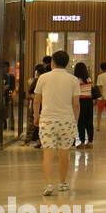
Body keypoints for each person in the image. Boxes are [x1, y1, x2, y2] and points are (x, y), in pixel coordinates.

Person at [33, 50, 80, 196]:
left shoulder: (43, 77)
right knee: (64, 154)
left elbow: (36, 100)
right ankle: (63, 183)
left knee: (48, 154)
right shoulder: (73, 80)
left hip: (47, 120)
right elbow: (76, 104)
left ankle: (48, 185)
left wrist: (36, 116)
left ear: (52, 62)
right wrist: (75, 121)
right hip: (66, 120)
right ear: (66, 63)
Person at [73, 62, 96, 149]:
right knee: (89, 122)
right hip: (89, 101)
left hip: (80, 101)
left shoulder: (76, 80)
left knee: (81, 122)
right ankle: (90, 142)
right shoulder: (89, 79)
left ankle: (82, 142)